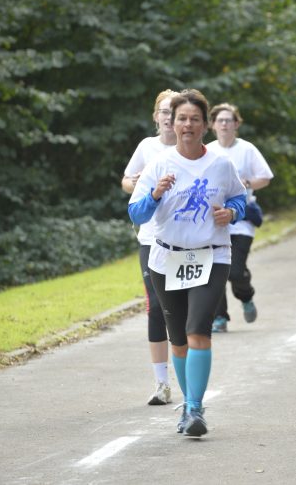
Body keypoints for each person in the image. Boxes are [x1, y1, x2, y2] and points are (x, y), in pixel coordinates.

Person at [128, 89, 247, 437]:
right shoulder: (159, 164)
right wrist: (155, 194)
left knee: (198, 331)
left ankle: (195, 408)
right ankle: (188, 404)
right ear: (172, 122)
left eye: (195, 119)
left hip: (212, 256)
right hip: (166, 257)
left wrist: (232, 212)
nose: (188, 124)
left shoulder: (222, 165)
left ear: (206, 125)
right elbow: (135, 211)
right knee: (177, 339)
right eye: (182, 118)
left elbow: (240, 198)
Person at [121, 89, 178, 406]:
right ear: (156, 116)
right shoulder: (147, 147)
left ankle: (188, 375)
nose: (169, 117)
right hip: (150, 237)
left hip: (184, 239)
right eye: (164, 112)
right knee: (156, 307)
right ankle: (161, 383)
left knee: (181, 310)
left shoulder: (192, 148)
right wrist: (138, 181)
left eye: (174, 111)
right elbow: (126, 182)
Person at [207, 103, 273, 333]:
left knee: (235, 271)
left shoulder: (247, 149)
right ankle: (219, 318)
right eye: (220, 120)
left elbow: (265, 177)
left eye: (229, 120)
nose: (224, 124)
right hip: (214, 219)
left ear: (236, 124)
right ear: (213, 125)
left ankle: (246, 296)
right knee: (215, 271)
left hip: (242, 218)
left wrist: (246, 184)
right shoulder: (207, 150)